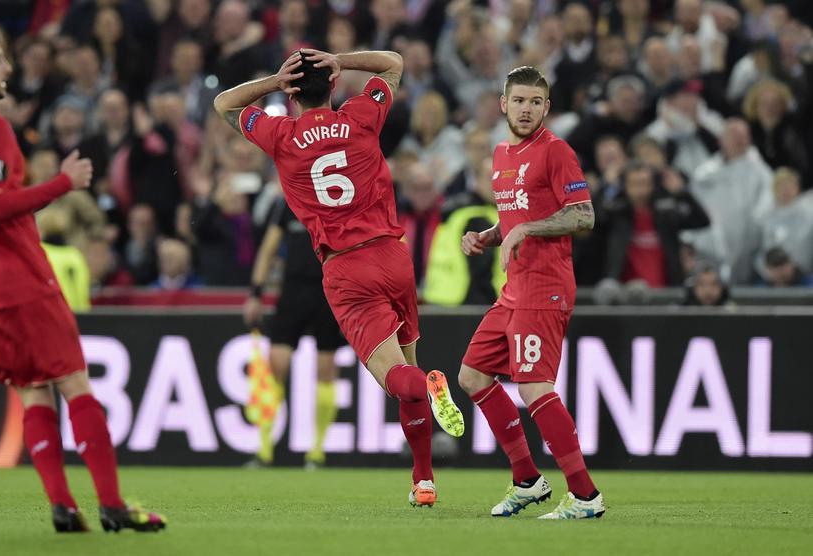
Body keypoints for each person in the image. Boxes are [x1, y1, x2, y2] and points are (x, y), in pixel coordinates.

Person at [0, 22, 164, 534]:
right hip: (15, 278)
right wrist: (63, 182)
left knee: (32, 389)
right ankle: (112, 505)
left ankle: (63, 507)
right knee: (73, 381)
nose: (7, 68)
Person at [214, 48, 465, 507]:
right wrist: (341, 59)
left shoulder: (281, 134)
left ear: (293, 94)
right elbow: (393, 62)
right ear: (332, 84)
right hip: (394, 256)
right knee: (407, 372)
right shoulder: (360, 116)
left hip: (347, 269)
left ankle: (426, 386)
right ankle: (424, 480)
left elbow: (224, 103)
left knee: (398, 380)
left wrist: (275, 81)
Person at [459, 66, 605, 519]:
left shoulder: (556, 151)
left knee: (534, 386)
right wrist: (489, 236)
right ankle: (527, 480)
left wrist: (524, 229)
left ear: (547, 107)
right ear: (504, 104)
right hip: (513, 289)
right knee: (472, 376)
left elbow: (583, 214)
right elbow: (516, 218)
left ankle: (585, 495)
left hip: (545, 286)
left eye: (535, 102)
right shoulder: (501, 153)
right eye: (519, 101)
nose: (526, 109)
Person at [242, 196, 348, 469]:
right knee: (276, 364)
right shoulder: (288, 202)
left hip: (329, 292)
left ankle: (317, 451)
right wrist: (256, 292)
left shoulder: (338, 199)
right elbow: (268, 248)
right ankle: (264, 449)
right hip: (293, 291)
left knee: (326, 368)